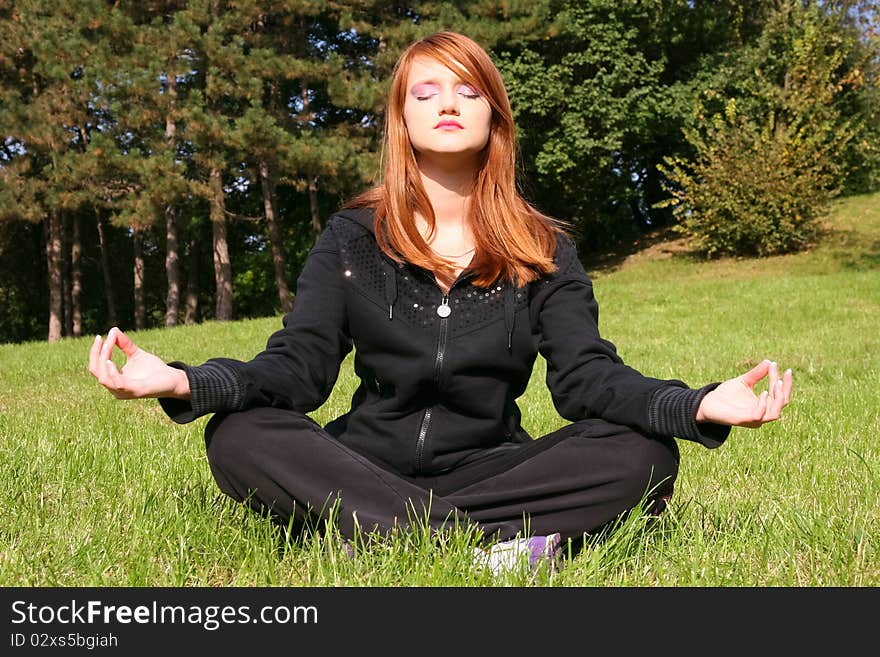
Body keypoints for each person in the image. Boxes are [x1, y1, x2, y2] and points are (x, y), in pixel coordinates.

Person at [88, 31, 792, 572]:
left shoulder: (543, 247)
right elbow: (298, 366)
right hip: (363, 465)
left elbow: (588, 379)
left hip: (492, 468)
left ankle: (385, 535)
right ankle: (483, 552)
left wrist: (694, 403)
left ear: (494, 115)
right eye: (426, 93)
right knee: (238, 435)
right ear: (402, 118)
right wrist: (188, 381)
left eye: (467, 91)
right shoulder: (350, 238)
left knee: (645, 453)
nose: (448, 104)